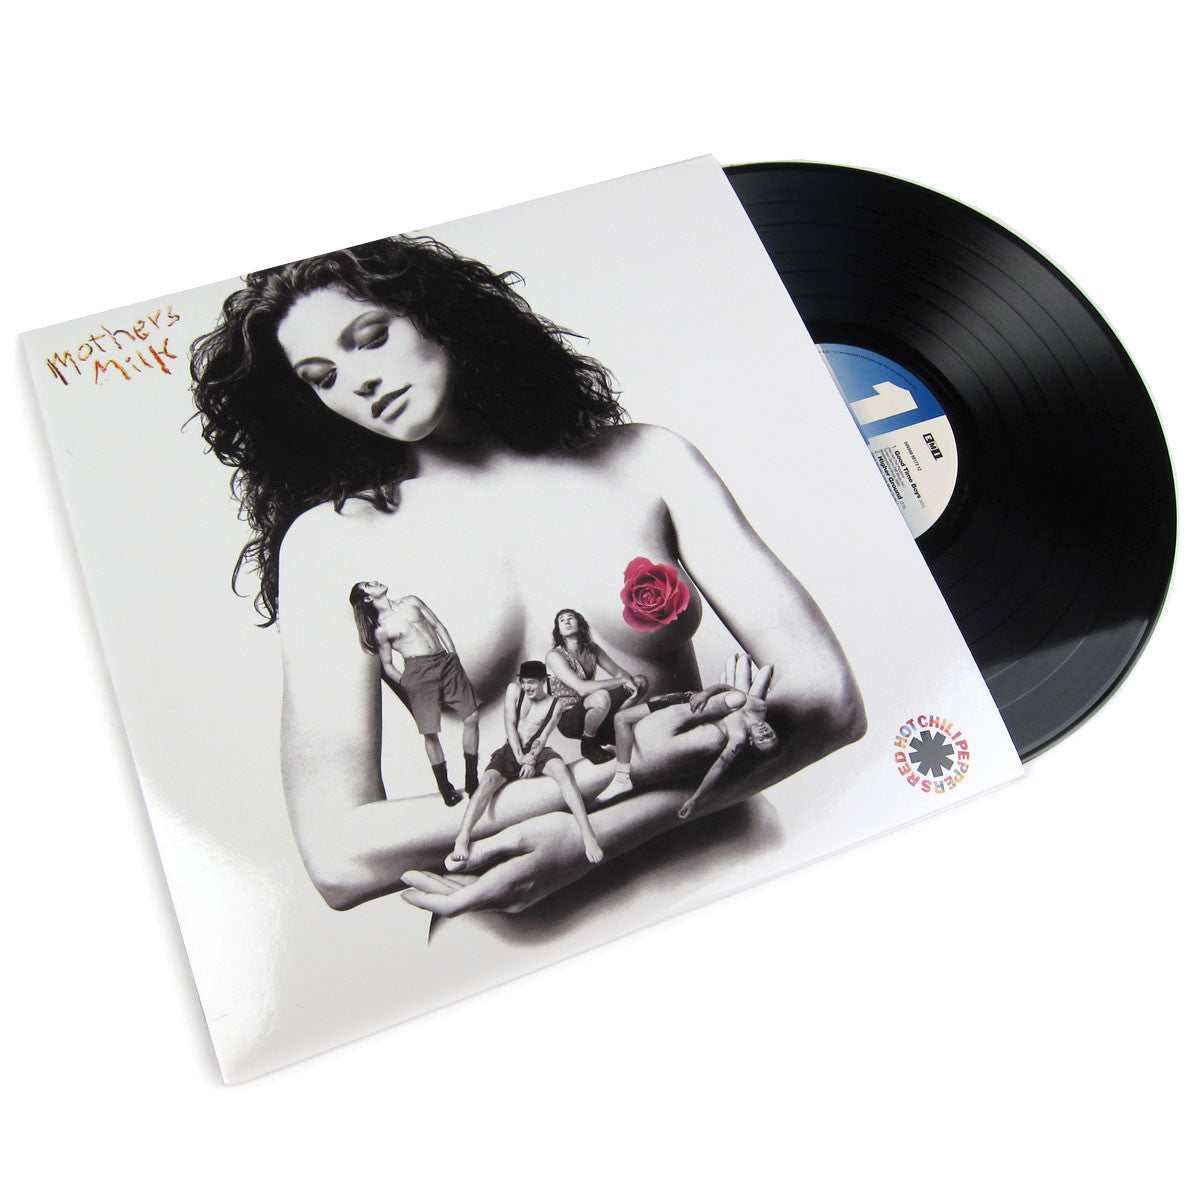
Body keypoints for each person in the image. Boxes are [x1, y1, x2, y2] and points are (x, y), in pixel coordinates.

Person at [190, 233, 866, 916]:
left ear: (438, 311)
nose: (357, 381)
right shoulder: (330, 545)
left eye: (370, 338)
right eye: (321, 377)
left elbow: (829, 702)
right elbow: (339, 857)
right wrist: (621, 771)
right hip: (516, 949)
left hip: (748, 886)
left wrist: (591, 839)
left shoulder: (648, 462)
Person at [450, 661, 603, 868]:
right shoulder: (514, 691)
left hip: (536, 751)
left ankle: (588, 834)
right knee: (486, 782)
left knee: (562, 770)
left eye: (531, 682)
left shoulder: (555, 705)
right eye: (524, 682)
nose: (526, 687)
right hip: (511, 749)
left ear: (543, 681)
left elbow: (543, 736)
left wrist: (531, 759)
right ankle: (462, 837)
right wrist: (520, 757)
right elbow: (510, 725)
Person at [348, 581, 479, 805]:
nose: (375, 581)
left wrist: (453, 655)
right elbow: (387, 664)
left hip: (446, 662)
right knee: (430, 732)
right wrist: (408, 683)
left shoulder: (411, 601)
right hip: (418, 671)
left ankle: (471, 777)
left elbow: (438, 626)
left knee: (472, 716)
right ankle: (444, 786)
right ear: (368, 598)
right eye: (369, 585)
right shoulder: (381, 629)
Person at [596, 655, 778, 814]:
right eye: (771, 735)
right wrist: (706, 693)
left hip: (684, 710)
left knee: (622, 718)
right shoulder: (760, 706)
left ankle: (621, 775)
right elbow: (726, 687)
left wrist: (695, 800)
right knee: (630, 714)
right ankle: (618, 759)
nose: (765, 733)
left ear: (752, 741)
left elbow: (718, 769)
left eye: (762, 739)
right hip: (690, 699)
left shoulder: (738, 736)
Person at [545, 608, 647, 764]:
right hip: (568, 718)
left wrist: (629, 682)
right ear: (559, 630)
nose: (566, 622)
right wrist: (622, 681)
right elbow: (582, 688)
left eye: (570, 618)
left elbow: (618, 672)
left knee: (641, 681)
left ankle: (612, 726)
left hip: (594, 706)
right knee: (601, 696)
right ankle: (589, 744)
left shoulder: (592, 649)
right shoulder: (554, 656)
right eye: (561, 620)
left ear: (580, 623)